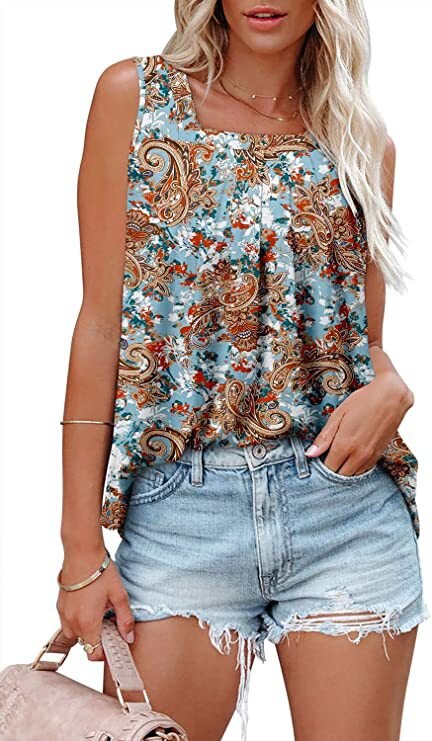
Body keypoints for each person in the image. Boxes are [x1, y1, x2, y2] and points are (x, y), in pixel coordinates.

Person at [56, 1, 430, 739]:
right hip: (181, 513)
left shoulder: (360, 142)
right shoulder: (135, 99)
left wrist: (391, 387)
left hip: (344, 512)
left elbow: (360, 340)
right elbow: (101, 325)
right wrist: (79, 552)